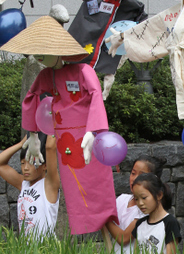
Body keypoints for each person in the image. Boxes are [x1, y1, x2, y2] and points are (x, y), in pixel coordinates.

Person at [1, 16, 119, 235]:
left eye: (43, 53)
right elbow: (32, 97)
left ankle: (112, 242)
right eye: (37, 55)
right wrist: (33, 135)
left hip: (87, 137)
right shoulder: (48, 75)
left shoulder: (83, 71)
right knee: (75, 190)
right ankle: (91, 235)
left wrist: (95, 130)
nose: (40, 59)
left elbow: (95, 95)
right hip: (65, 139)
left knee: (96, 187)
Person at [0, 0, 148, 97]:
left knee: (86, 98)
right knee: (61, 92)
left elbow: (145, 29)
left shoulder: (134, 7)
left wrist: (126, 46)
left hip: (99, 69)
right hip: (73, 57)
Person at [0, 133, 60, 239]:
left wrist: (50, 119)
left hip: (46, 250)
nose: (26, 168)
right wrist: (21, 144)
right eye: (23, 163)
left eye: (31, 163)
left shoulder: (49, 185)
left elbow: (50, 147)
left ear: (45, 166)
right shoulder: (23, 184)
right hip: (26, 251)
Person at [107, 156, 165, 254]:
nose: (134, 179)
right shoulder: (121, 199)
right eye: (133, 173)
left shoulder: (147, 209)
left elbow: (124, 238)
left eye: (141, 176)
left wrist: (104, 218)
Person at [131, 173, 181, 254]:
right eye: (136, 199)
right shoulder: (139, 224)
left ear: (159, 195)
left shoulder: (170, 223)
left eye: (144, 197)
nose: (140, 203)